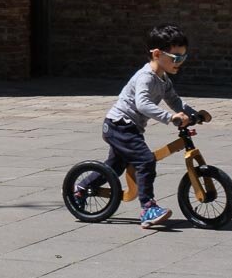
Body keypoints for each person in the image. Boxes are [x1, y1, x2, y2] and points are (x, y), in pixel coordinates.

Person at [74, 24, 204, 228]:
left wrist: (193, 113)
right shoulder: (145, 77)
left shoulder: (163, 78)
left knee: (114, 166)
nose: (180, 62)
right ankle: (148, 208)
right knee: (145, 161)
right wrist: (170, 118)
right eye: (176, 58)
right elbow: (142, 104)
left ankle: (82, 187)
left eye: (183, 57)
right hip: (118, 125)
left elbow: (175, 101)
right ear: (157, 54)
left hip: (128, 128)